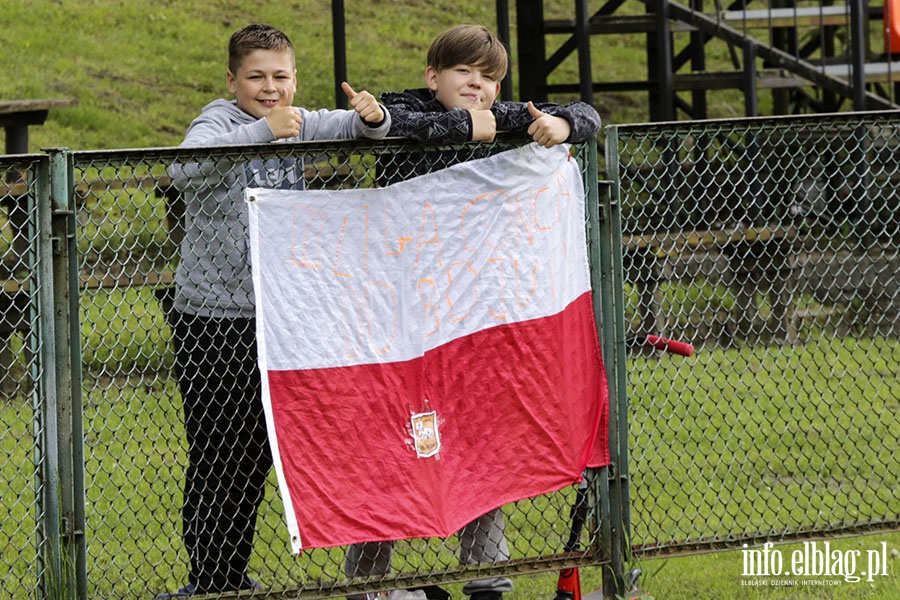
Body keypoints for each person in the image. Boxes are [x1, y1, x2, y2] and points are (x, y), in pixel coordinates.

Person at [344, 24, 601, 600]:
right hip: (399, 324)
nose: (477, 86)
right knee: (391, 450)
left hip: (471, 321)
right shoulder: (409, 108)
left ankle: (487, 581)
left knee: (480, 443)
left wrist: (561, 124)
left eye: (488, 79)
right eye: (464, 73)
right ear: (433, 76)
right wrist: (467, 126)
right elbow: (392, 126)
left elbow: (586, 112)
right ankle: (370, 589)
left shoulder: (499, 111)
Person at [155, 23, 391, 599]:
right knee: (217, 448)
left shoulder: (297, 121)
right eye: (256, 77)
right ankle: (209, 581)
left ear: (294, 79)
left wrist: (372, 115)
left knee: (257, 453)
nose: (269, 87)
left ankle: (231, 575)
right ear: (232, 80)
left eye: (280, 77)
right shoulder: (220, 121)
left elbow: (356, 129)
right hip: (211, 318)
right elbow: (181, 169)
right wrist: (262, 132)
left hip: (279, 319)